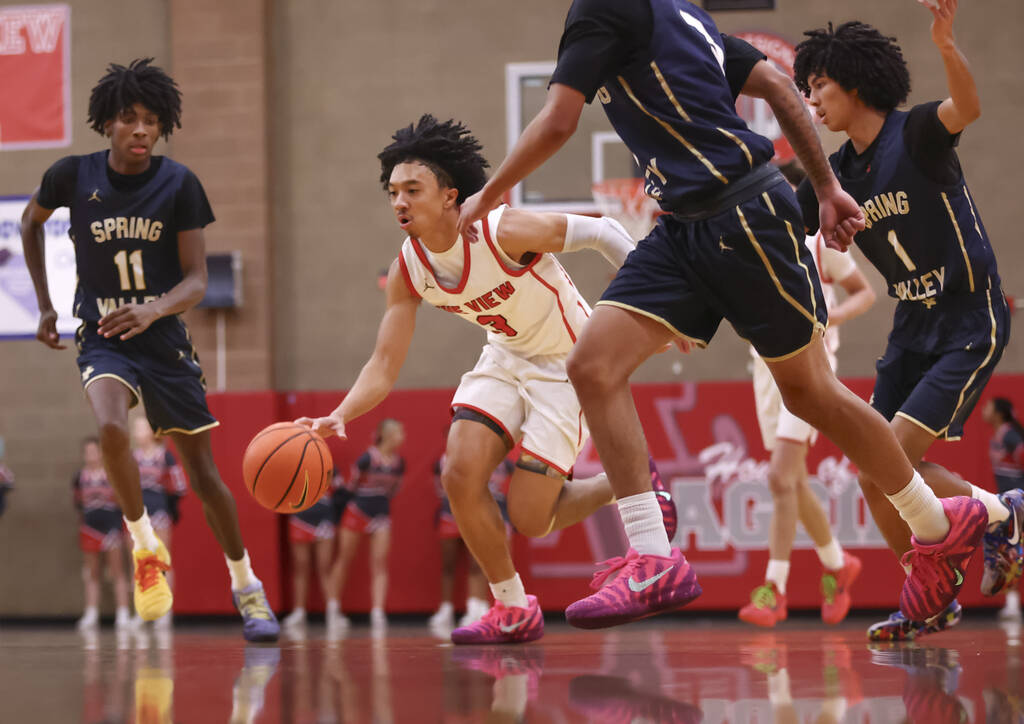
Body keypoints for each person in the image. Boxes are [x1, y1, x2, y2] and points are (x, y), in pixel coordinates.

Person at [457, 0, 986, 630]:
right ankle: (654, 558)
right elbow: (776, 86)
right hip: (680, 226)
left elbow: (559, 121)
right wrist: (822, 186)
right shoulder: (683, 16)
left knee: (812, 395)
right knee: (592, 365)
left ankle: (933, 523)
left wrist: (488, 194)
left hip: (742, 214)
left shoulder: (603, 8)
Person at [298, 114, 674, 644]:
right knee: (459, 473)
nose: (399, 202)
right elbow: (383, 365)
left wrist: (650, 301)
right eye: (392, 192)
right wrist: (341, 413)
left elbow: (603, 230)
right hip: (505, 357)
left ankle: (627, 482)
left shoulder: (500, 230)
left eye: (412, 189)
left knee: (530, 518)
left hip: (568, 366)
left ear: (451, 195)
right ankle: (512, 607)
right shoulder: (409, 268)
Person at [19, 58, 278, 641]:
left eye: (151, 122)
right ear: (107, 123)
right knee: (111, 426)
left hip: (163, 340)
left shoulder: (178, 182)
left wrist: (157, 307)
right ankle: (144, 546)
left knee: (205, 477)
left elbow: (196, 279)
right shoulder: (71, 175)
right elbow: (30, 226)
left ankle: (248, 588)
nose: (141, 130)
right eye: (130, 119)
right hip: (104, 332)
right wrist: (44, 304)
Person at [793, 1, 1021, 641]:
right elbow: (786, 209)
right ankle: (934, 590)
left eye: (819, 87)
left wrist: (946, 46)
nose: (812, 101)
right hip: (911, 327)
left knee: (893, 459)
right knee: (874, 472)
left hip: (968, 317)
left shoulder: (916, 132)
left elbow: (968, 108)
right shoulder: (837, 172)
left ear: (854, 83)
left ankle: (1003, 516)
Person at [740, 161, 876, 628]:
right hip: (765, 369)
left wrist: (828, 318)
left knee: (780, 477)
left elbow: (865, 293)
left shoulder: (819, 243)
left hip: (812, 368)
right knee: (791, 481)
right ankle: (839, 566)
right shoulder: (753, 244)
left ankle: (773, 590)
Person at [328, 419, 406, 632]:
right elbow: (351, 485)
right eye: (399, 432)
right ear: (387, 435)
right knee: (344, 558)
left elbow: (394, 490)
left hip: (381, 513)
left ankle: (378, 612)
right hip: (358, 509)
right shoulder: (367, 459)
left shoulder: (399, 463)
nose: (402, 437)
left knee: (380, 562)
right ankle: (332, 609)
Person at [429, 449, 514, 631]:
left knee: (488, 565)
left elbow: (517, 488)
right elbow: (442, 486)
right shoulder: (452, 458)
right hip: (456, 512)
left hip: (493, 513)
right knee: (450, 563)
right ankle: (448, 609)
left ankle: (490, 607)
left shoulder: (505, 462)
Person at [131, 417, 186, 629]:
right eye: (135, 428)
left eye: (141, 428)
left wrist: (170, 508)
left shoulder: (165, 456)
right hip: (137, 516)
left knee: (163, 561)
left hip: (160, 513)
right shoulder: (132, 457)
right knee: (139, 562)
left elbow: (180, 485)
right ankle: (140, 611)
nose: (137, 432)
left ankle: (165, 611)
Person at [73, 436, 131, 630]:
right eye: (87, 452)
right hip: (90, 528)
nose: (90, 455)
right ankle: (91, 613)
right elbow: (78, 504)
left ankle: (123, 613)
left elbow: (123, 501)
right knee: (92, 573)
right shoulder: (79, 477)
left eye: (93, 451)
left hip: (111, 528)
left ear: (100, 453)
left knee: (117, 571)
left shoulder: (111, 474)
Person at [281, 469, 344, 631]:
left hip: (324, 520)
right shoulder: (292, 465)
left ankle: (332, 610)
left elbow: (341, 492)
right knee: (300, 566)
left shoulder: (330, 466)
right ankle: (299, 611)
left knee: (325, 566)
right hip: (300, 517)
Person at [982, 397, 1024, 620]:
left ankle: (1013, 603)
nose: (983, 410)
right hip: (1008, 504)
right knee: (1010, 550)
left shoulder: (1009, 435)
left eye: (987, 406)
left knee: (1012, 549)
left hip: (1019, 502)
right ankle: (1012, 603)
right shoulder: (998, 435)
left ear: (998, 413)